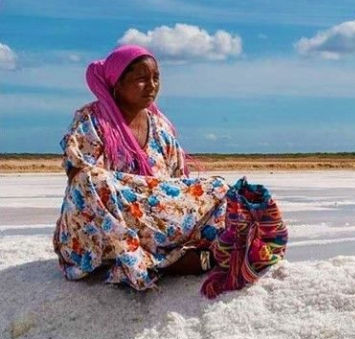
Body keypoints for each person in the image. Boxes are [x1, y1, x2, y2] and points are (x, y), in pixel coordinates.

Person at [52, 44, 229, 291]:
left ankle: (163, 256)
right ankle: (157, 261)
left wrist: (150, 199)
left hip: (149, 221)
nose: (152, 85)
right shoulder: (92, 120)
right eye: (141, 79)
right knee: (92, 180)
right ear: (118, 83)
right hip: (102, 225)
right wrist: (131, 194)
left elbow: (175, 183)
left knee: (218, 188)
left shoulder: (159, 126)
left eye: (156, 78)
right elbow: (78, 178)